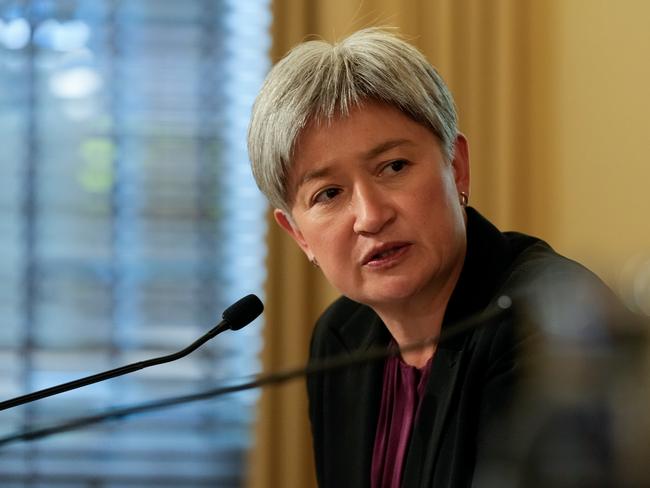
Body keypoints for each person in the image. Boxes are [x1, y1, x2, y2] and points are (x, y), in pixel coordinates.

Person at [247, 28, 623, 488]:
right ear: (299, 235)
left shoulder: (537, 326)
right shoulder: (341, 338)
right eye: (328, 193)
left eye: (394, 167)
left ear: (456, 166)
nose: (370, 216)